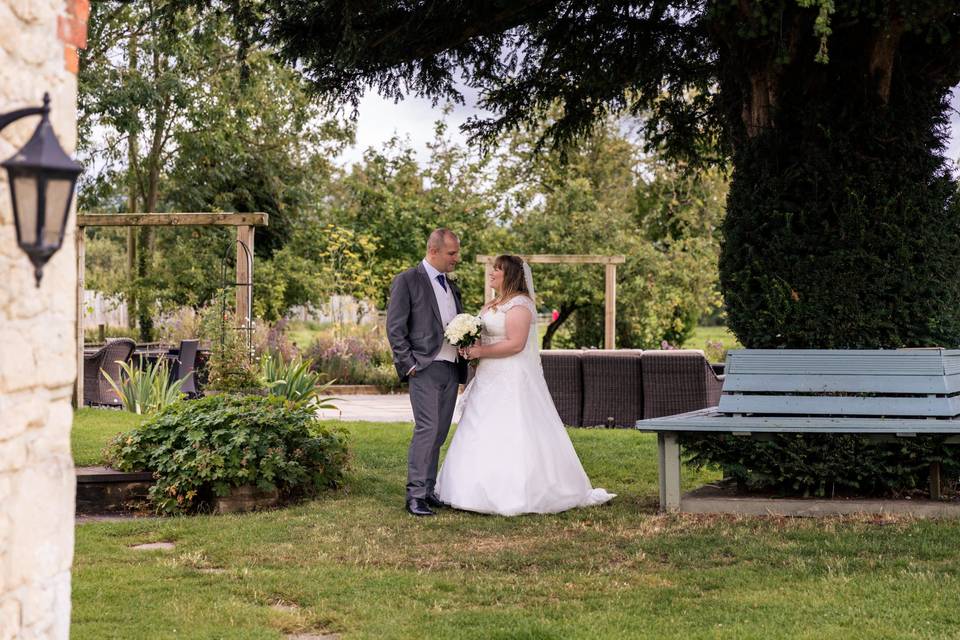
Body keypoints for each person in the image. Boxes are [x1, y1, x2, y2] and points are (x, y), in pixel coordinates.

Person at [436, 255, 615, 516]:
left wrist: (480, 351)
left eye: (497, 269)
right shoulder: (492, 304)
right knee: (479, 427)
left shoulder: (520, 305)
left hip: (511, 377)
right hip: (487, 375)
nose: (492, 273)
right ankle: (469, 489)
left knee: (512, 429)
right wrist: (469, 346)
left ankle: (518, 493)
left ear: (508, 274)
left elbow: (515, 344)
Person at [386, 228, 469, 517]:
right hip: (424, 367)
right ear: (433, 251)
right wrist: (408, 364)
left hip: (450, 367)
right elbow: (395, 328)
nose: (456, 258)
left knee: (440, 432)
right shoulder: (407, 281)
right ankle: (415, 496)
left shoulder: (451, 284)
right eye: (452, 253)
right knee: (427, 429)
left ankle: (428, 489)